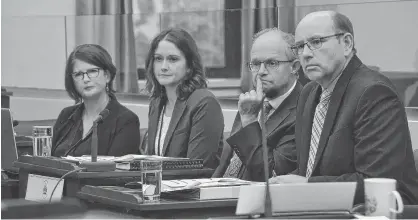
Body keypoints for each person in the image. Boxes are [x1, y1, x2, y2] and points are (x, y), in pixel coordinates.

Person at [269, 11, 418, 205]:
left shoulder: (374, 92)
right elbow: (308, 170)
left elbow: (375, 181)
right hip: (320, 207)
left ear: (347, 44)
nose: (305, 54)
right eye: (299, 46)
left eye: (316, 42)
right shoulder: (309, 93)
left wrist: (307, 186)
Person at [212, 28, 302, 181]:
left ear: (294, 67)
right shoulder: (252, 102)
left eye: (272, 63)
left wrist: (249, 121)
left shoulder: (304, 108)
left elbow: (269, 175)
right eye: (255, 64)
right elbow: (227, 164)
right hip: (221, 194)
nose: (261, 72)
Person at [144, 28, 224, 169]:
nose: (163, 67)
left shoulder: (204, 103)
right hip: (157, 187)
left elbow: (197, 167)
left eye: (173, 59)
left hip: (191, 189)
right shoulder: (156, 103)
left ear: (189, 67)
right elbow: (149, 159)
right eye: (158, 59)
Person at [52, 44, 140, 157]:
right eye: (78, 74)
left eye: (92, 71)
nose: (86, 79)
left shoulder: (126, 120)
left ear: (107, 75)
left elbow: (116, 171)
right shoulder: (66, 115)